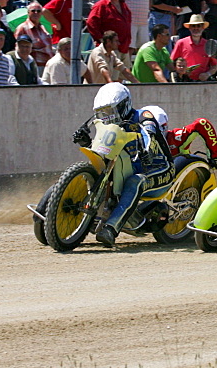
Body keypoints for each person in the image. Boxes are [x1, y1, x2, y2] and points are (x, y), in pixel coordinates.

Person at [71, 83, 176, 246]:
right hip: (133, 166)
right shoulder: (109, 125)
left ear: (124, 105)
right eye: (103, 112)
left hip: (159, 168)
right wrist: (87, 141)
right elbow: (102, 150)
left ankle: (111, 229)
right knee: (102, 170)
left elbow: (149, 131)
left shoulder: (143, 115)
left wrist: (147, 145)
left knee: (135, 181)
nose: (107, 116)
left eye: (110, 111)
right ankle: (51, 207)